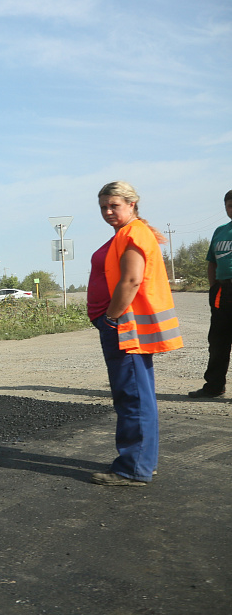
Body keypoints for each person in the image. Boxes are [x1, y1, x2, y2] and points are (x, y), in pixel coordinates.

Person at [87, 181, 183, 486]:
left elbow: (130, 281)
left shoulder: (132, 233)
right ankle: (142, 461)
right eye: (103, 206)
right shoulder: (127, 233)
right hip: (124, 327)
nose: (108, 211)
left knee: (132, 397)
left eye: (114, 205)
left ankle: (132, 467)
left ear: (132, 204)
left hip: (126, 328)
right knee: (138, 396)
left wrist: (110, 319)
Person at [188, 189, 232, 399]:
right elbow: (212, 262)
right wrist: (213, 286)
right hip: (222, 292)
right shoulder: (220, 231)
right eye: (229, 205)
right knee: (217, 341)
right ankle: (214, 387)